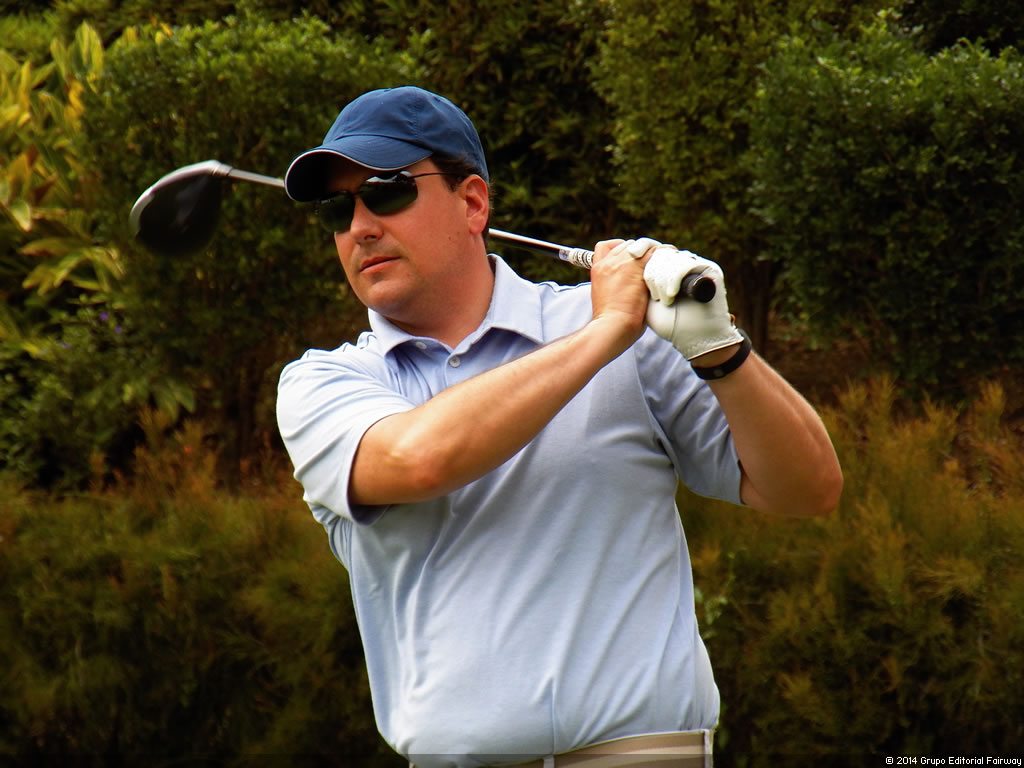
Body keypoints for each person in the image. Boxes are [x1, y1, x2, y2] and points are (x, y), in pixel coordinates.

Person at [276, 86, 842, 768]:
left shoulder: (628, 331)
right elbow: (419, 458)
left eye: (386, 191)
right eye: (338, 209)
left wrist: (721, 349)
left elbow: (808, 488)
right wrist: (606, 332)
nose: (360, 227)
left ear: (472, 203)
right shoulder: (324, 383)